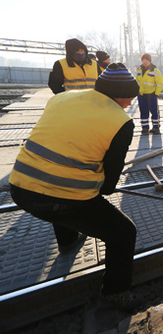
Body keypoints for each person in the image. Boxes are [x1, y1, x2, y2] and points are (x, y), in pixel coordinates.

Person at [9, 63, 142, 311]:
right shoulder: (121, 122)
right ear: (121, 96)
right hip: (57, 198)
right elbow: (108, 186)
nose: (128, 104)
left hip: (19, 186)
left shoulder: (62, 98)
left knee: (61, 187)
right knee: (123, 233)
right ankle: (115, 292)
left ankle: (68, 241)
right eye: (129, 99)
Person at [136, 53, 163, 135]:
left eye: (146, 60)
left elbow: (159, 84)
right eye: (143, 60)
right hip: (141, 95)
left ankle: (156, 127)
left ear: (150, 61)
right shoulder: (139, 70)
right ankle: (145, 128)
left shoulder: (155, 71)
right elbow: (136, 81)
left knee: (154, 112)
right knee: (143, 112)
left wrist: (156, 94)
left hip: (151, 95)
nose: (145, 62)